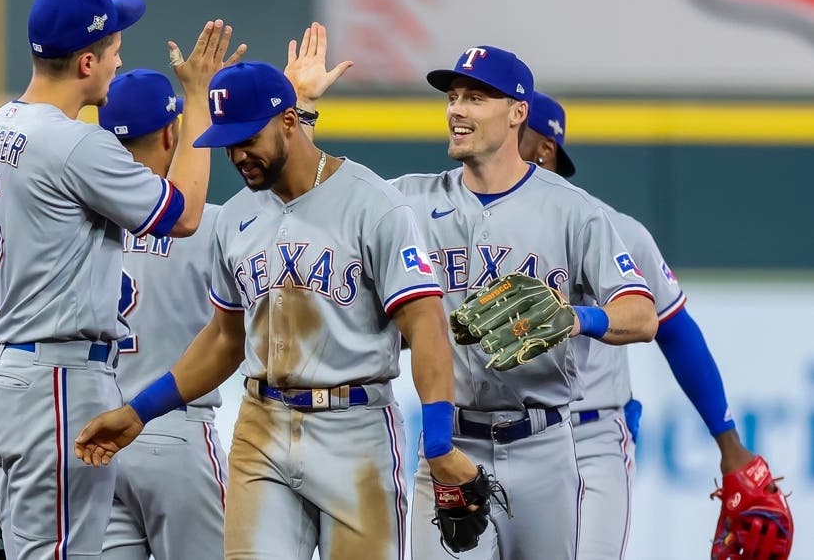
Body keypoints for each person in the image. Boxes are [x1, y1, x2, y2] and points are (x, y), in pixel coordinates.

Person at [75, 59, 480, 559]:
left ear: (290, 120)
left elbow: (426, 324)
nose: (238, 154)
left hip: (355, 430)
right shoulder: (237, 218)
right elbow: (225, 339)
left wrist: (438, 440)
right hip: (261, 425)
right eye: (228, 143)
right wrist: (140, 411)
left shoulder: (373, 204)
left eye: (248, 138)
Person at [0, 0, 244, 559]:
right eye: (113, 48)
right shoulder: (73, 145)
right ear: (86, 61)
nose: (118, 59)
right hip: (59, 380)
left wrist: (12, 375)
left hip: (5, 378)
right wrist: (196, 97)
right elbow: (183, 215)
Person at [387, 46, 659, 560]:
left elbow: (642, 315)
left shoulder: (572, 210)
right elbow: (325, 201)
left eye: (475, 97)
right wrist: (304, 110)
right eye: (452, 97)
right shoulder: (408, 202)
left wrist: (576, 318)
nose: (456, 110)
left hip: (546, 447)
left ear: (518, 113)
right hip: (451, 447)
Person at [521, 90, 785, 560]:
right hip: (494, 433)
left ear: (545, 149)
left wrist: (729, 443)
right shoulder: (468, 223)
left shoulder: (614, 229)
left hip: (589, 434)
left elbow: (677, 330)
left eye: (513, 129)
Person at [95, 69, 227, 560]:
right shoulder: (211, 225)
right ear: (172, 133)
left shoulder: (76, 220)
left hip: (94, 436)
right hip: (175, 429)